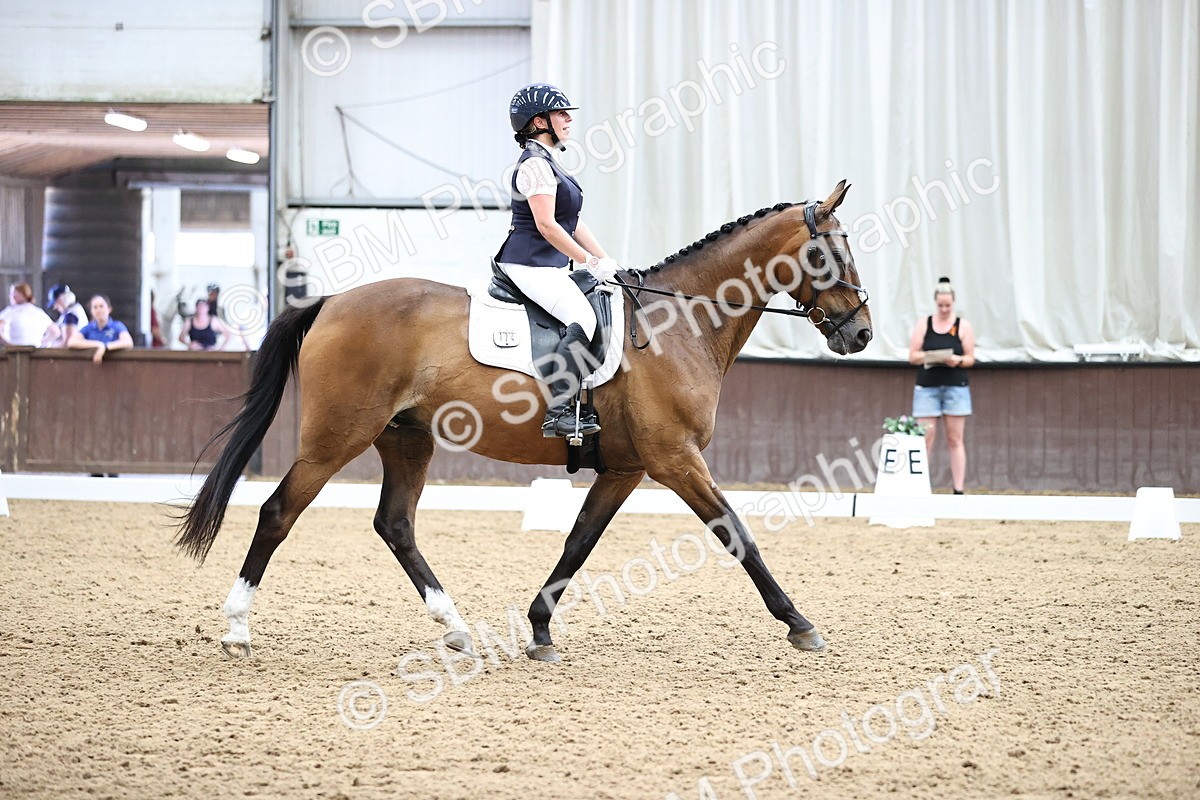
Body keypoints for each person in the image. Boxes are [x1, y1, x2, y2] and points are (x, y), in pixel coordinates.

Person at [494, 83, 620, 438]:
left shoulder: (550, 162)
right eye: (561, 113)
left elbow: (572, 220)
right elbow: (548, 226)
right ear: (538, 121)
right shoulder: (535, 165)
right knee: (582, 316)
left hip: (545, 264)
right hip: (527, 263)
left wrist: (604, 258)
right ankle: (559, 411)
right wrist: (587, 261)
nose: (568, 119)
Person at [908, 277, 976, 494]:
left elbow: (971, 358)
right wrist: (932, 356)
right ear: (935, 303)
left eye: (948, 305)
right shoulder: (924, 324)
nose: (944, 309)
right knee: (925, 439)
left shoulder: (963, 325)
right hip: (928, 387)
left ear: (953, 303)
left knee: (955, 439)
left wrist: (957, 360)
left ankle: (958, 489)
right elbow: (912, 356)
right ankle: (920, 487)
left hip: (955, 386)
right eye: (940, 305)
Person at [68, 294, 134, 364]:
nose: (98, 310)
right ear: (91, 311)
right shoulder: (88, 328)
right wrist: (98, 345)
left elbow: (128, 342)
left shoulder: (117, 326)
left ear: (109, 309)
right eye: (95, 307)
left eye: (101, 306)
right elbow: (72, 342)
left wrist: (105, 347)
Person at [0, 282, 55, 347]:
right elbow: (55, 332)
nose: (11, 296)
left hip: (15, 353)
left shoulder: (10, 312)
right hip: (35, 353)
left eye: (12, 293)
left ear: (20, 294)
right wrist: (40, 343)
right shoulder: (40, 313)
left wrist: (9, 345)